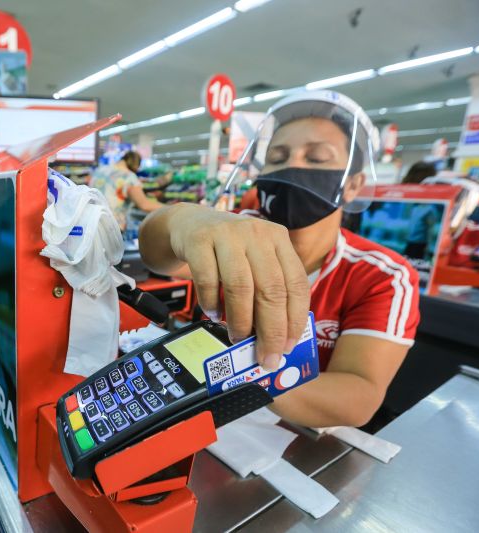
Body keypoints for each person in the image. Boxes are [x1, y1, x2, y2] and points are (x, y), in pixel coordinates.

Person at [140, 91, 420, 429]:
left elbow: (358, 396)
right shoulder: (233, 230)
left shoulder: (383, 276)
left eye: (316, 158)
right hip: (206, 421)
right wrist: (182, 220)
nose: (293, 167)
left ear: (353, 185)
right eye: (278, 156)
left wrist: (243, 375)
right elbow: (157, 257)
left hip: (296, 441)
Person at [90, 150, 163, 230]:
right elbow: (145, 205)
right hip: (113, 228)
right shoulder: (129, 177)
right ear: (136, 165)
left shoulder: (100, 170)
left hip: (92, 224)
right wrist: (173, 207)